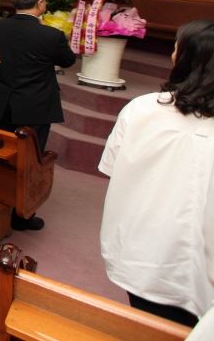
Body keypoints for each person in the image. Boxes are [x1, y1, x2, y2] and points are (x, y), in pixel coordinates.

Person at [99, 20, 214, 328]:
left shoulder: (143, 109)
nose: (171, 54)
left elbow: (111, 167)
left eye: (176, 48)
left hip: (145, 252)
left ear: (185, 59)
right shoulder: (143, 108)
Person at [0, 0, 76, 227]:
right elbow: (68, 61)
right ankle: (21, 215)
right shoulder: (51, 35)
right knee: (30, 161)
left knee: (0, 156)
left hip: (2, 102)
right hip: (35, 106)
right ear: (40, 4)